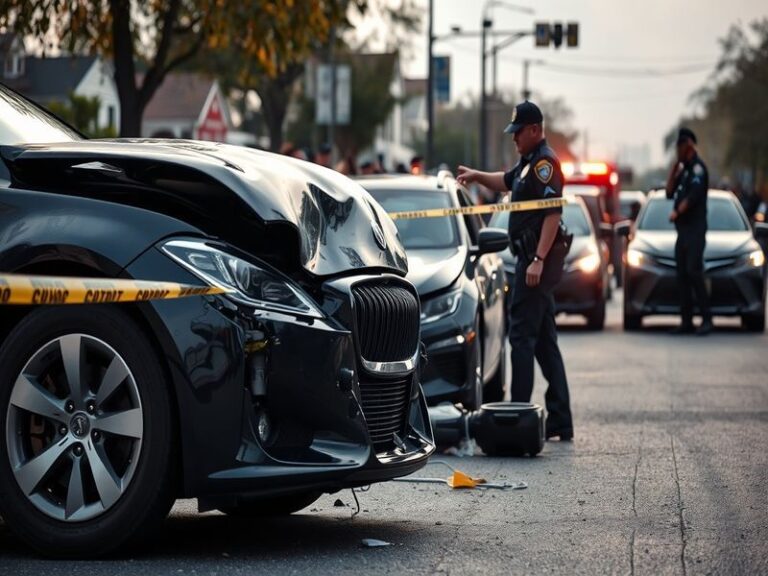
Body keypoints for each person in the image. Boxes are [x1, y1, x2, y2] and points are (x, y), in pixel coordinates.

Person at [456, 100, 573, 441]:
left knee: (521, 337)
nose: (514, 138)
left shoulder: (545, 164)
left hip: (535, 263)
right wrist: (476, 175)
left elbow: (552, 214)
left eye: (518, 132)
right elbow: (506, 181)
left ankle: (518, 416)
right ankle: (560, 419)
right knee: (545, 343)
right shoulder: (528, 163)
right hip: (530, 260)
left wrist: (538, 259)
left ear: (535, 130)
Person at [665, 127, 712, 335]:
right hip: (682, 232)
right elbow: (669, 193)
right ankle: (687, 321)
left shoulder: (698, 170)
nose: (678, 150)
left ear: (690, 146)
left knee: (694, 272)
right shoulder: (683, 170)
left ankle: (707, 318)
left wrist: (677, 212)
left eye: (680, 146)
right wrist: (674, 170)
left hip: (695, 230)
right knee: (682, 274)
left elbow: (692, 198)